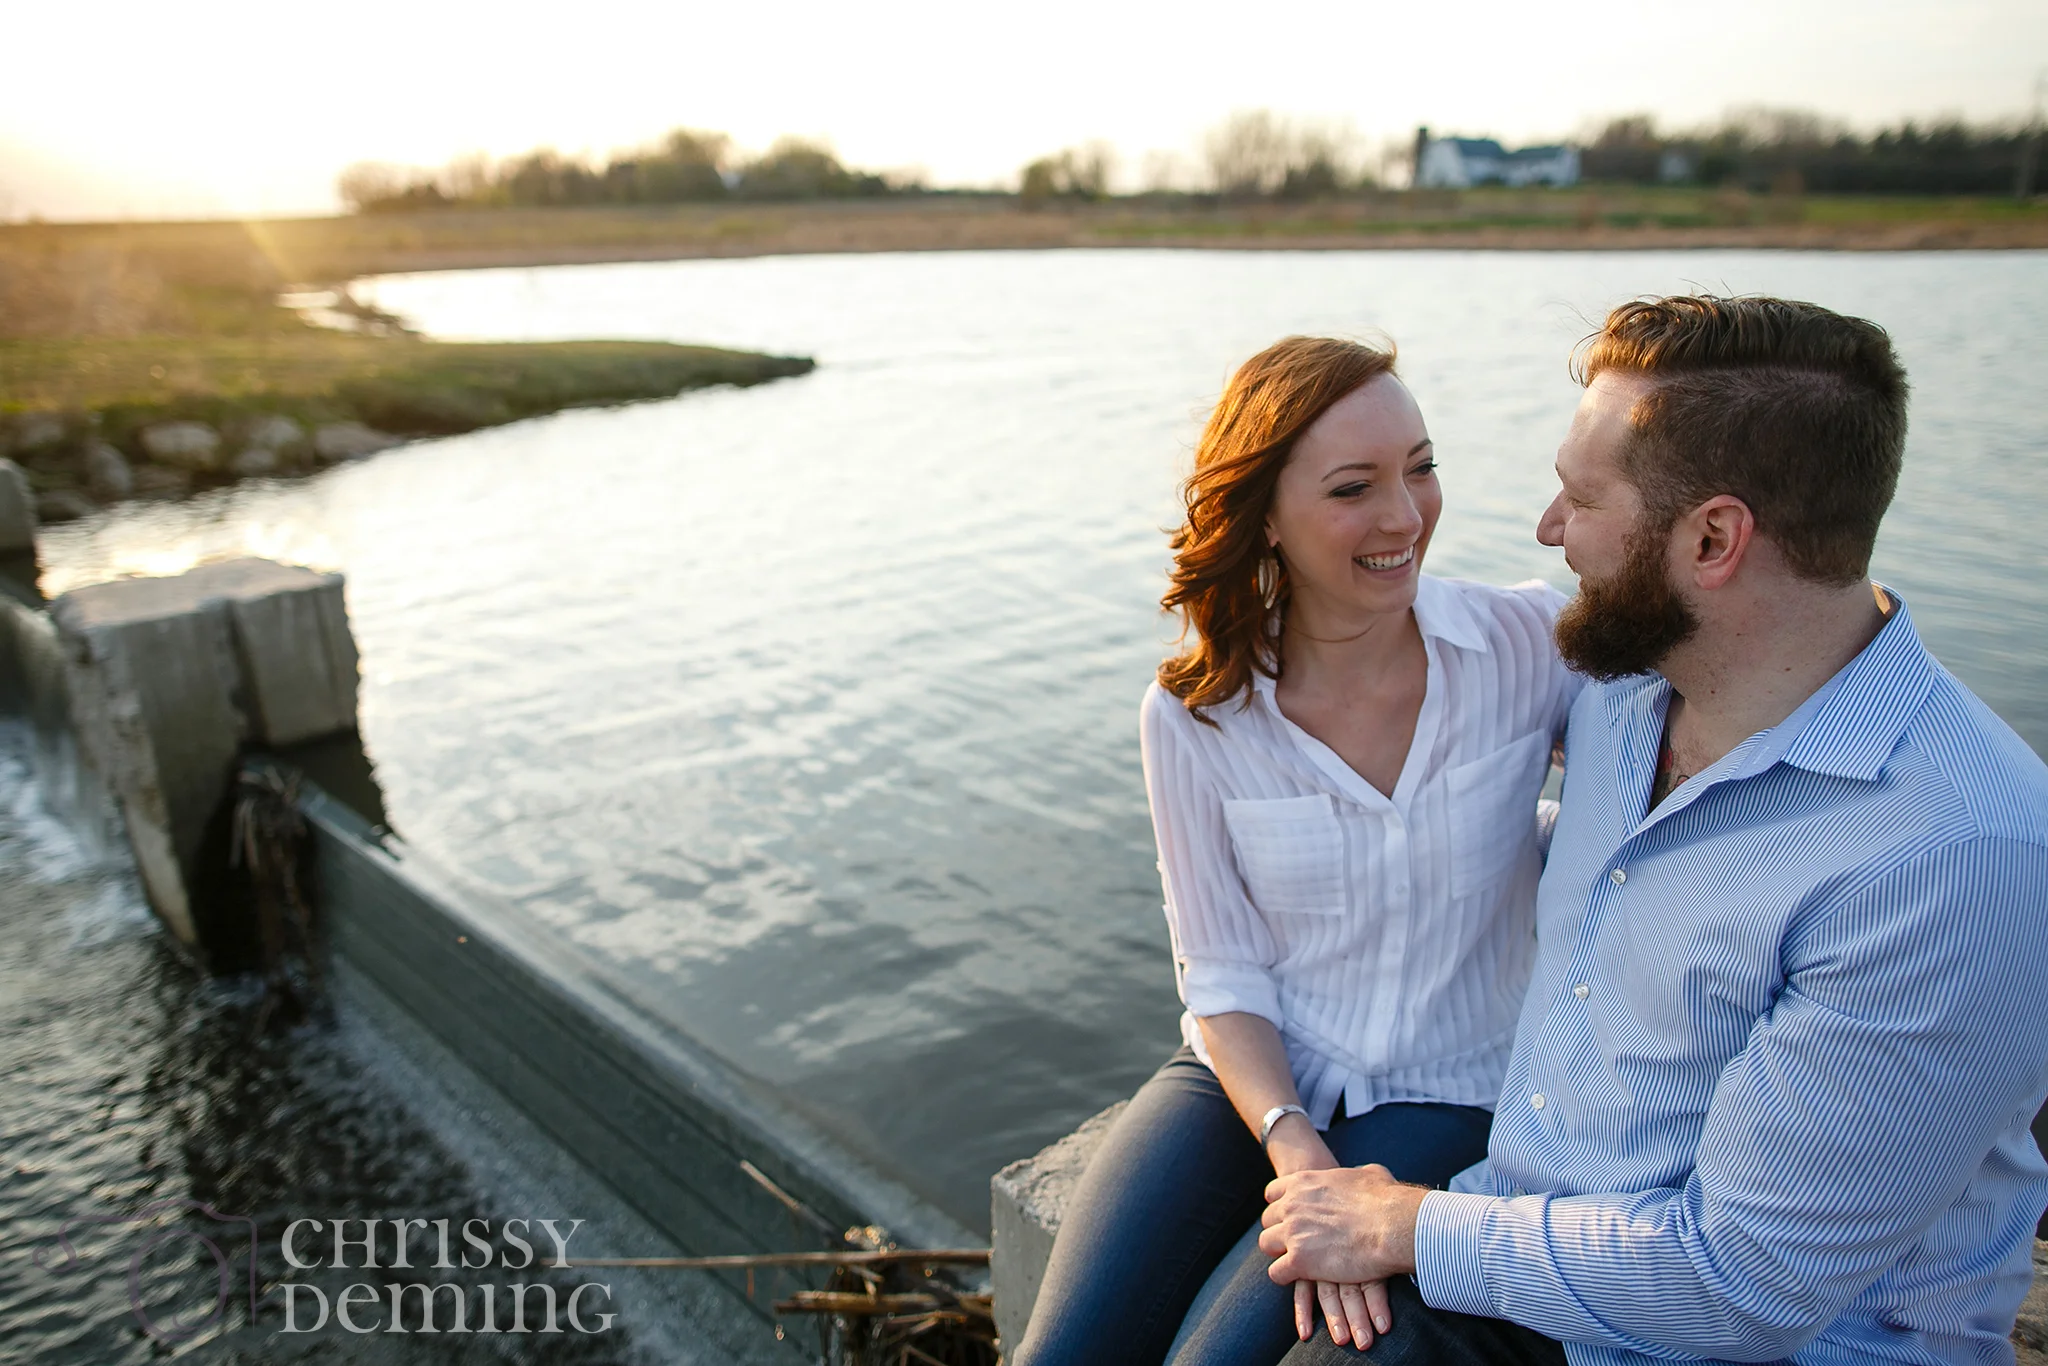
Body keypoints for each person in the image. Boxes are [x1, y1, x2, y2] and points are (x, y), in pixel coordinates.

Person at [1257, 294, 2048, 1365]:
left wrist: (1404, 1221)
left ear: (1711, 538)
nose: (1546, 530)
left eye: (1578, 498)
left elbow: (1737, 1286)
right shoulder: (1623, 689)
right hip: (1521, 1247)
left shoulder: (1951, 856)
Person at [1010, 336, 1582, 1366]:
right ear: (1263, 512)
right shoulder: (1194, 714)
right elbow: (1218, 967)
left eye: (1420, 466)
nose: (1403, 516)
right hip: (1252, 1082)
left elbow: (1677, 766)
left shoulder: (1524, 645)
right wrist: (1293, 1146)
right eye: (1352, 487)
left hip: (1447, 1092)